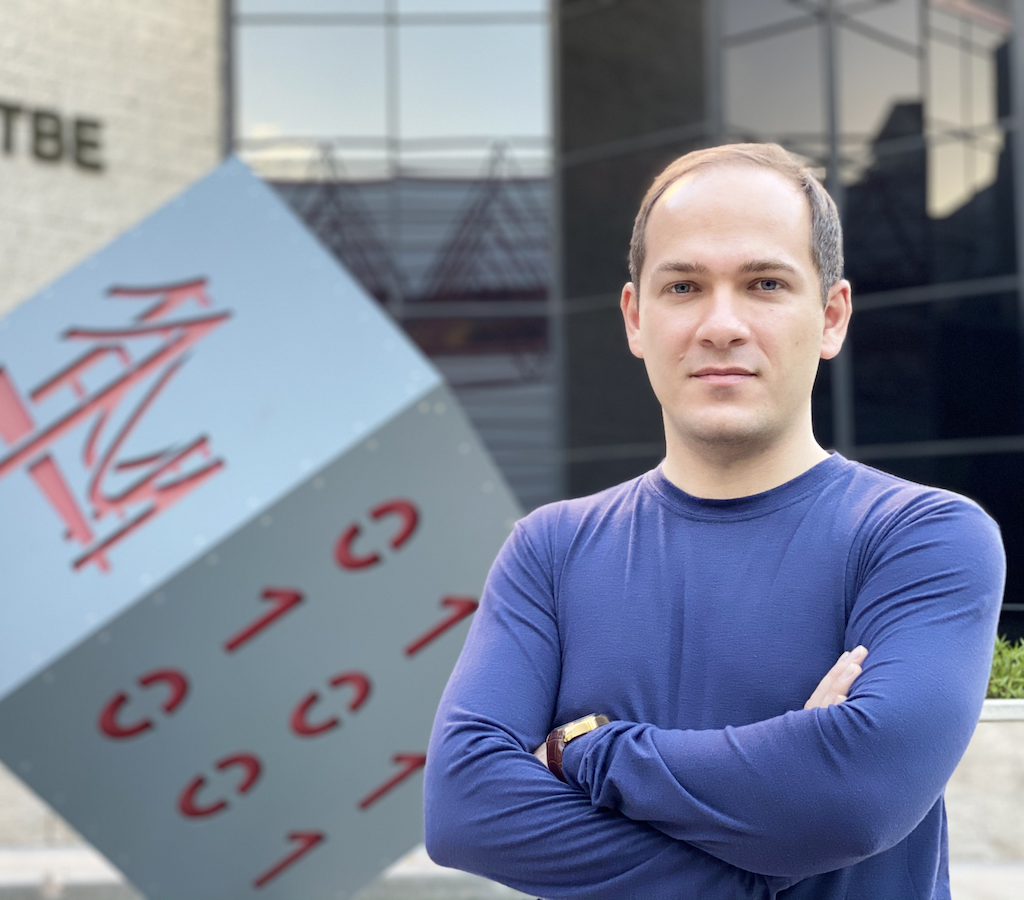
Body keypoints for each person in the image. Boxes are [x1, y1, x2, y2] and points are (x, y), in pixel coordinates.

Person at [422, 143, 1005, 899]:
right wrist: (771, 842)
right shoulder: (550, 551)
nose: (721, 324)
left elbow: (856, 797)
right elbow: (465, 809)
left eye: (764, 283)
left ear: (831, 317)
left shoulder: (922, 536)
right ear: (636, 318)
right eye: (684, 286)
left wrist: (584, 753)